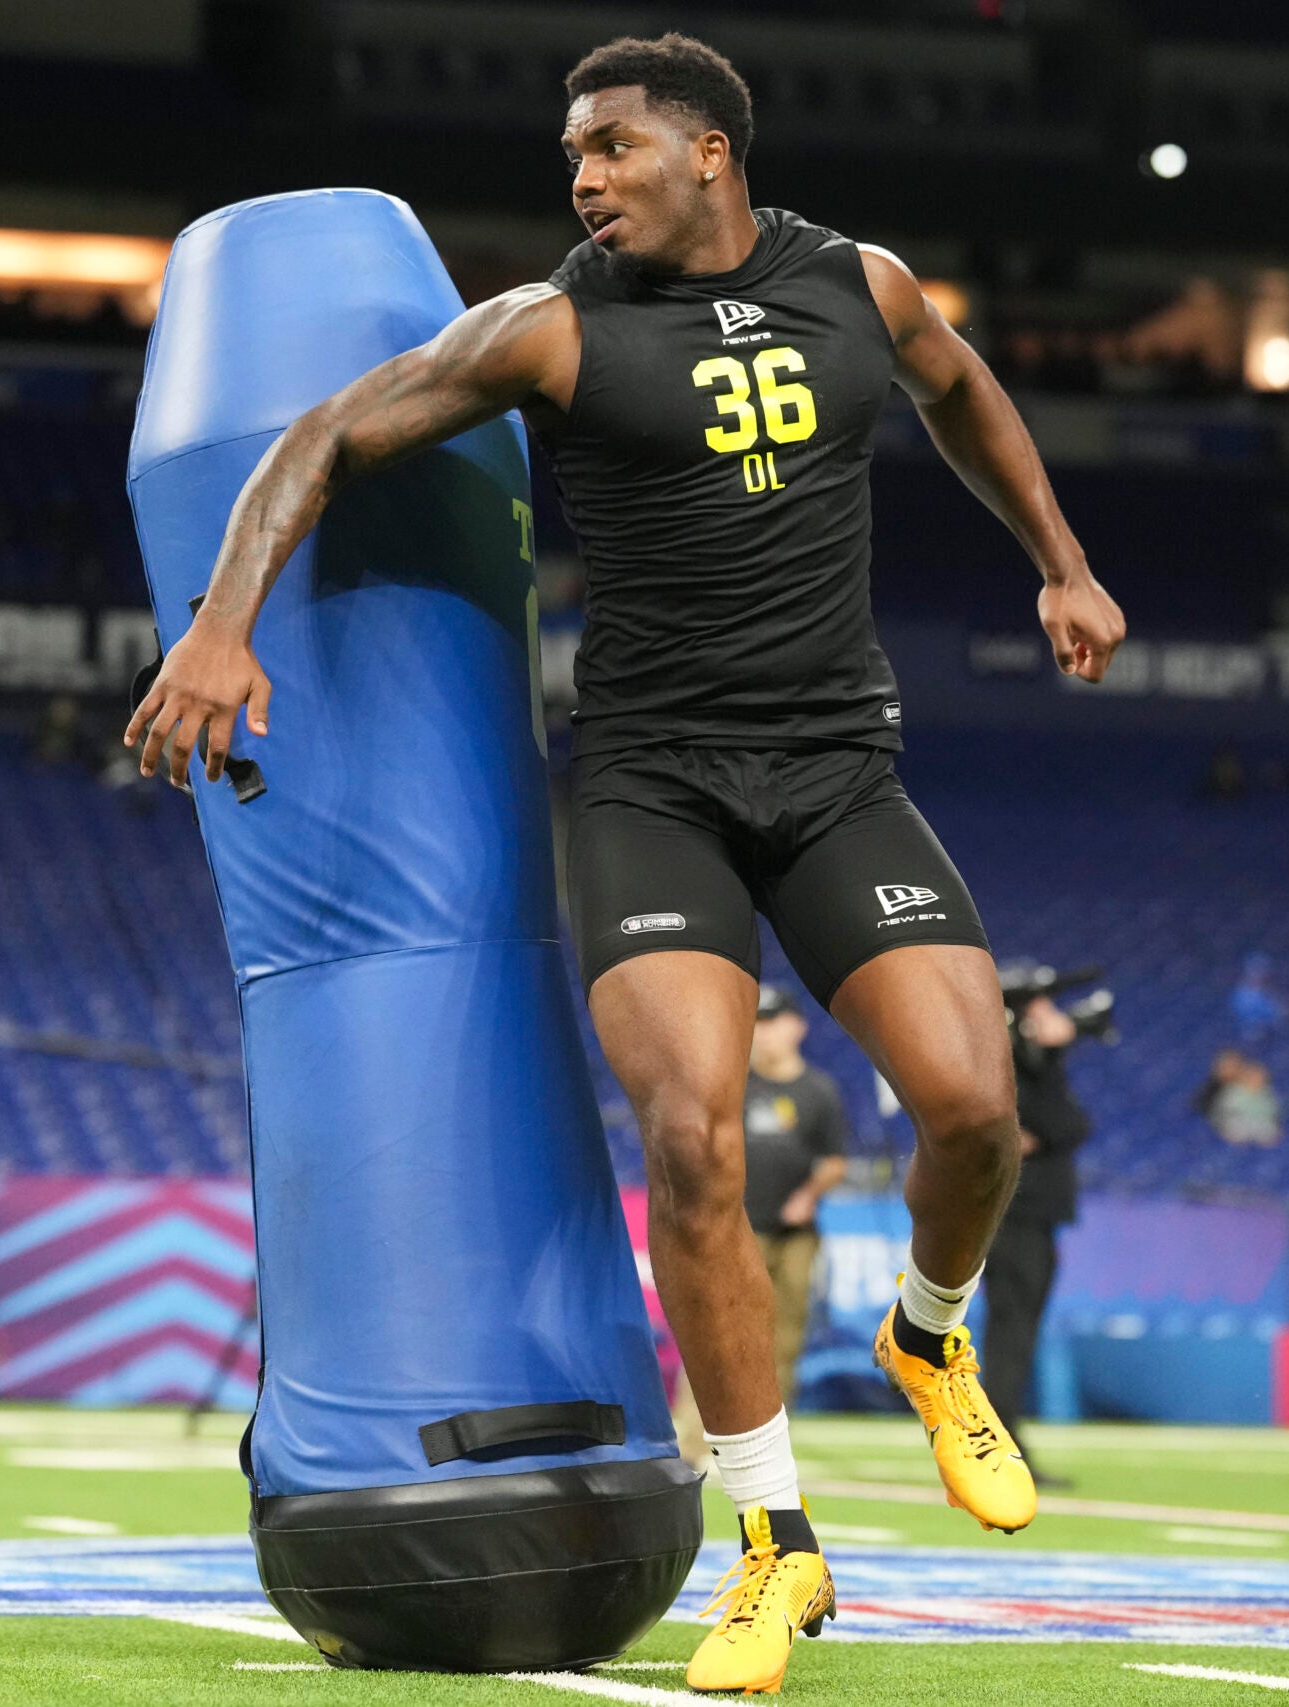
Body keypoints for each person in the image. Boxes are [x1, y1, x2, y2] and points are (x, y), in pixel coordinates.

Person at [124, 32, 1126, 1693]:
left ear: (711, 152)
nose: (584, 180)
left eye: (612, 147)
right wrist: (223, 624)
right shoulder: (551, 326)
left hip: (834, 775)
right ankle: (774, 1544)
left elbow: (963, 392)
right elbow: (313, 436)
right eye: (572, 156)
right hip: (651, 787)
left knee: (974, 1107)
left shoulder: (861, 288)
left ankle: (931, 1337)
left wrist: (1063, 565)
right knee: (691, 1126)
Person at [983, 980, 1091, 1486]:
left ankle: (1000, 1441)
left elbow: (1060, 1127)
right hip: (1017, 1216)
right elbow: (1068, 1123)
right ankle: (998, 1446)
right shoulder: (1015, 1070)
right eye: (1041, 1010)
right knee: (1011, 1333)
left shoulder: (1025, 1068)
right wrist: (1050, 1059)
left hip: (1028, 1216)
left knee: (1015, 1332)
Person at [740, 984, 849, 1410]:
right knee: (723, 1335)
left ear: (798, 1027)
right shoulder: (734, 1084)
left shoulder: (819, 1090)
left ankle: (773, 1427)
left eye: (772, 1022)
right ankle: (696, 1440)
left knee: (786, 1336)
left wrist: (809, 1194)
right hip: (739, 1228)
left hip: (796, 1234)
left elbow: (834, 1160)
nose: (763, 1033)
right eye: (756, 1024)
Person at [1210, 1060, 1283, 1147]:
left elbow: (1273, 1112)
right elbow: (1222, 1114)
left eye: (1260, 1078)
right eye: (1252, 1077)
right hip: (1239, 1126)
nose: (1257, 1080)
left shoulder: (1267, 1095)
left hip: (1260, 1126)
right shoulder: (1232, 1094)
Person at [1229, 955, 1283, 1040]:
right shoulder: (1241, 995)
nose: (1259, 976)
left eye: (1262, 972)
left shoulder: (1269, 993)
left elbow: (1278, 1015)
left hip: (1270, 1034)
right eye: (1255, 972)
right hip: (1248, 1033)